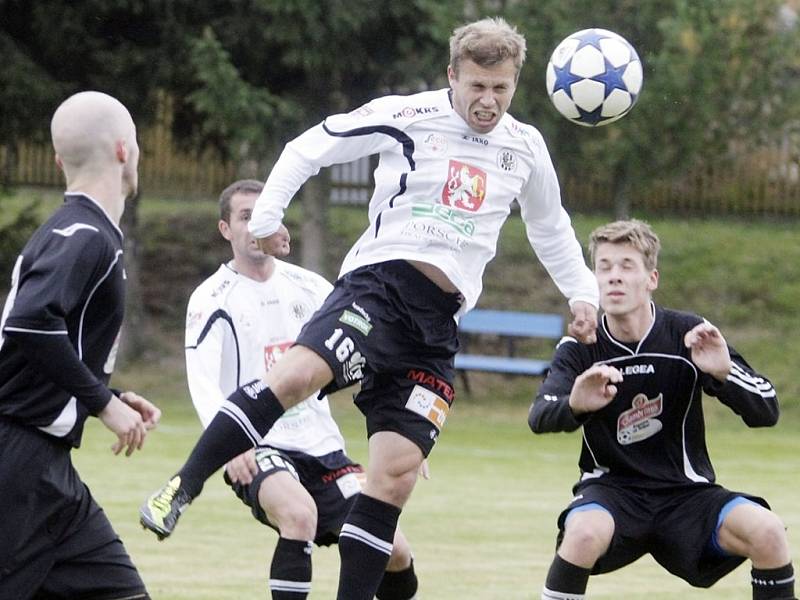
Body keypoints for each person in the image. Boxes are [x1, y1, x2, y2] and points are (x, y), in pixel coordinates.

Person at [141, 17, 600, 599]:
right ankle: (182, 486)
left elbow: (551, 228)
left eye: (501, 88)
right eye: (477, 86)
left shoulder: (526, 147)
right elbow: (310, 146)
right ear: (452, 75)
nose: (488, 101)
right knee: (297, 377)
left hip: (437, 328)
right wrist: (267, 217)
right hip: (379, 287)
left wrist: (582, 293)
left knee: (394, 476)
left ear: (516, 84)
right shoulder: (408, 116)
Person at [529, 219, 795, 600]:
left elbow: (767, 408)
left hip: (687, 495)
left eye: (626, 266)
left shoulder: (690, 334)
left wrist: (724, 373)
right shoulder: (581, 345)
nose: (613, 277)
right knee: (583, 533)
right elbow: (540, 414)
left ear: (651, 278)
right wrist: (575, 404)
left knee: (768, 531)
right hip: (611, 493)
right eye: (603, 267)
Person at [183, 179, 419, 599]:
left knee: (394, 550)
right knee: (299, 515)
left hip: (323, 447)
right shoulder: (211, 298)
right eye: (245, 217)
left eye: (265, 214)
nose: (257, 225)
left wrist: (407, 427)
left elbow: (369, 350)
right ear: (226, 230)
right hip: (260, 446)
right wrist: (231, 444)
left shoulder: (312, 288)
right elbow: (202, 378)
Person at [0, 91, 160, 600]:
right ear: (123, 151)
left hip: (46, 472)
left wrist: (104, 391)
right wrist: (102, 403)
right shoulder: (85, 234)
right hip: (19, 467)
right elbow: (28, 323)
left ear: (56, 160)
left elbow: (42, 340)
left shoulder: (81, 231)